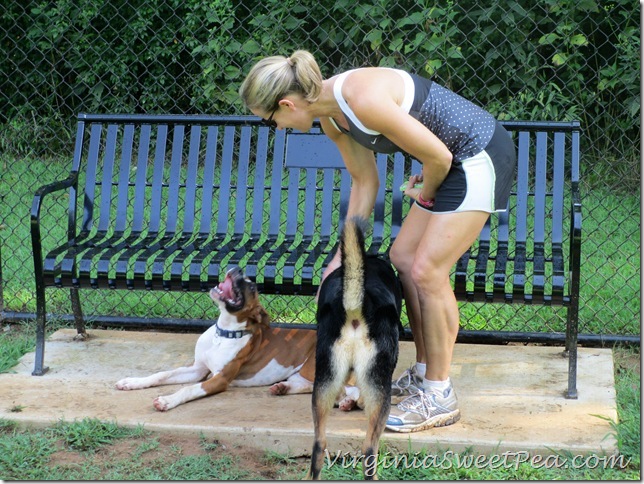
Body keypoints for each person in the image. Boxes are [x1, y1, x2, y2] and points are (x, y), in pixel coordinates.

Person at [239, 50, 516, 433]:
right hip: (450, 163)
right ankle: (424, 373)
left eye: (272, 121)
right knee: (402, 256)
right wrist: (341, 259)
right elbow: (365, 182)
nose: (279, 128)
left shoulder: (361, 98)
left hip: (478, 155)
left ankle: (440, 394)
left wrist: (429, 194)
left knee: (427, 271)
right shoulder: (333, 118)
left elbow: (438, 156)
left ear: (286, 104)